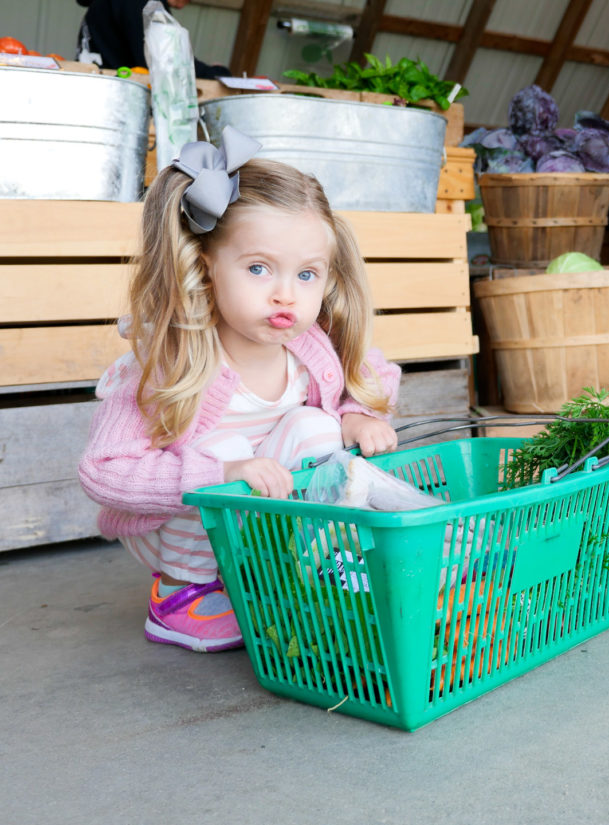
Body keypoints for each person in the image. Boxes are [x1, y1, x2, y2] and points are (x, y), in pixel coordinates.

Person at [78, 126, 401, 653]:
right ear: (206, 269)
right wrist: (220, 473)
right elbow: (103, 471)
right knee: (222, 448)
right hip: (176, 529)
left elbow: (374, 375)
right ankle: (182, 595)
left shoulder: (311, 347)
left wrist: (354, 413)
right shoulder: (169, 364)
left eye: (307, 275)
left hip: (259, 519)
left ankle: (304, 567)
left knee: (315, 426)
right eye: (258, 268)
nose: (285, 295)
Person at [75, 0, 230, 78]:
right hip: (114, 103)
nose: (184, 5)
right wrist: (217, 74)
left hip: (91, 90)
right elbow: (169, 63)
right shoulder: (142, 3)